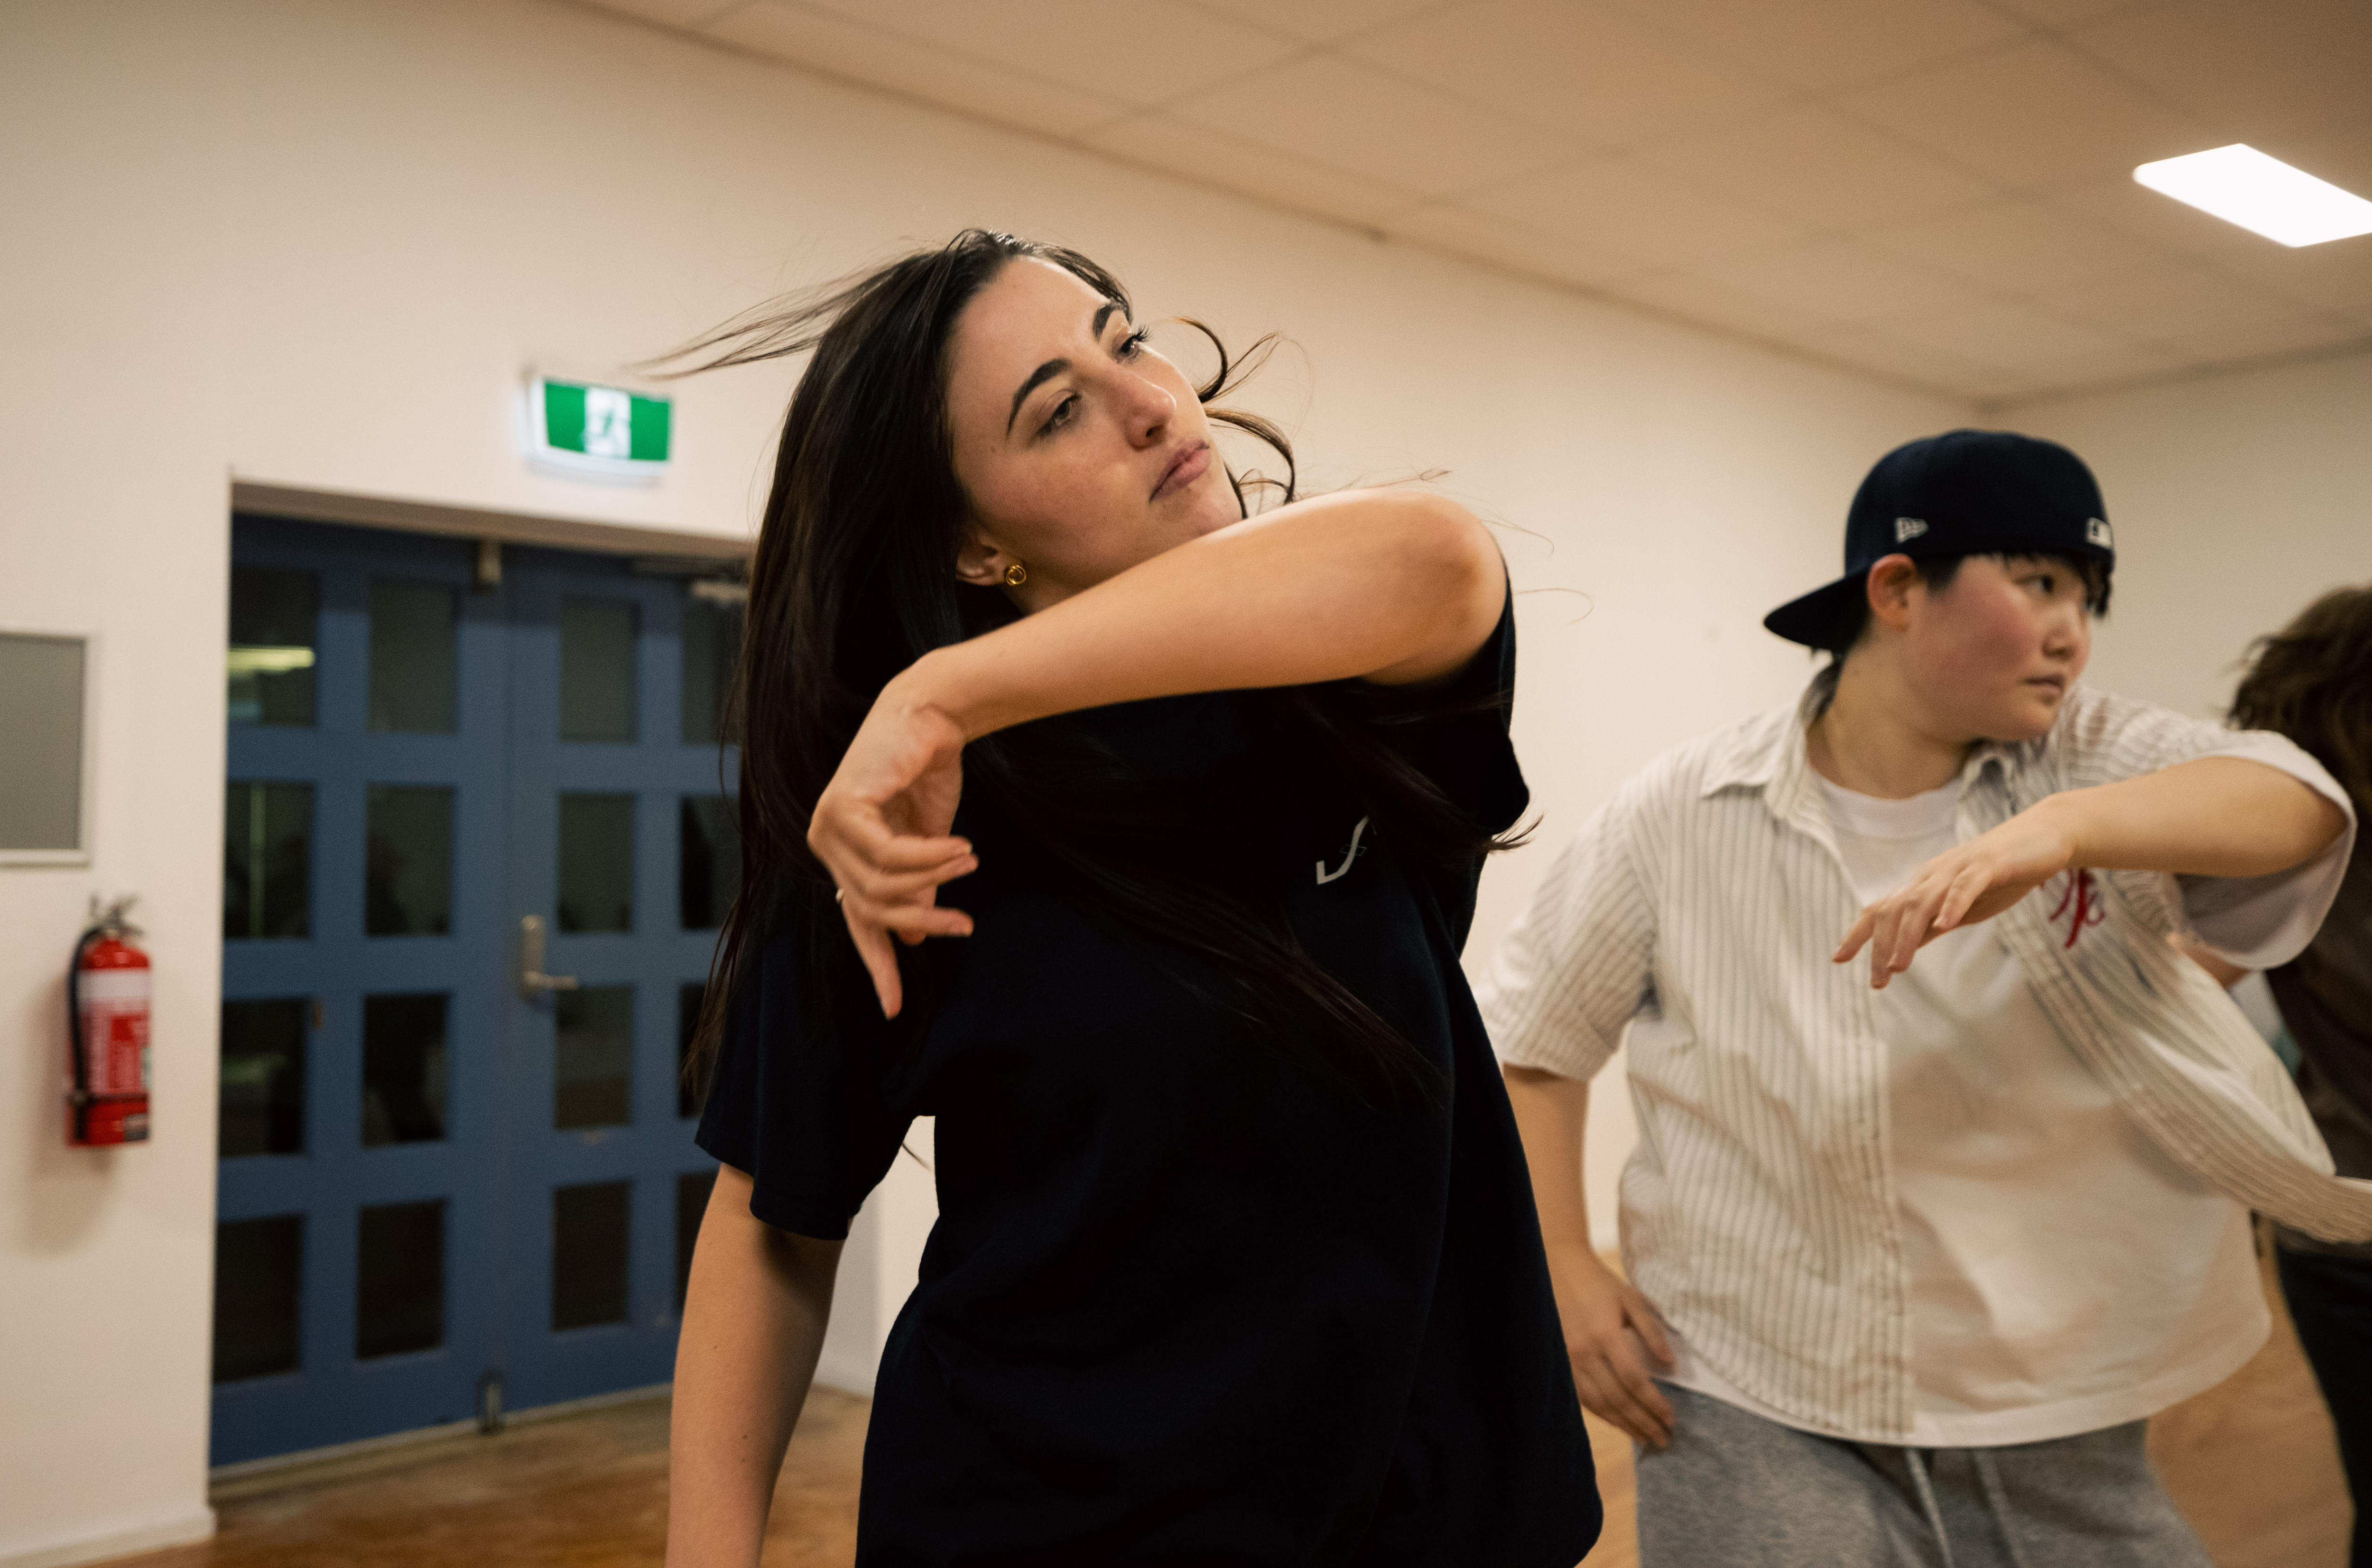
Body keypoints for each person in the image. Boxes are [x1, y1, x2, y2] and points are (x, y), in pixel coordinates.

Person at [662, 231, 1598, 1568]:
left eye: (1125, 337)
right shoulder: (902, 829)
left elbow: (1439, 559)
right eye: (1059, 411)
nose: (1153, 398)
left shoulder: (1342, 693)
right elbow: (775, 1224)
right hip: (1048, 1519)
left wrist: (939, 692)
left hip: (1429, 1510)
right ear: (974, 545)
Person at [1480, 429, 2370, 1568]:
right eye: (2040, 583)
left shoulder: (2087, 757)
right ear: (1897, 589)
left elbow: (2294, 800)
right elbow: (1536, 1044)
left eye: (2088, 601)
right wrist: (1563, 1263)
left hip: (2048, 1397)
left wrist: (2059, 833)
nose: (2071, 635)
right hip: (1750, 1387)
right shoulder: (1678, 809)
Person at [2187, 584, 2372, 1567]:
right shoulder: (2291, 850)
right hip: (2341, 1235)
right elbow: (2172, 989)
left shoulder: (2288, 846)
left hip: (2331, 1231)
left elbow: (2174, 986)